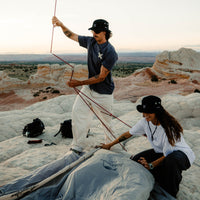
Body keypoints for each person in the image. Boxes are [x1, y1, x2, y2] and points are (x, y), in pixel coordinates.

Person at [99, 95, 195, 198]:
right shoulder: (145, 122)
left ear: (157, 112)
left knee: (171, 161)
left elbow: (168, 154)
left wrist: (151, 165)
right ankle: (162, 174)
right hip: (162, 152)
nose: (145, 115)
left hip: (181, 155)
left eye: (149, 112)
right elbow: (128, 134)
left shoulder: (167, 128)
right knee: (137, 160)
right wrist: (109, 145)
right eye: (144, 112)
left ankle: (171, 192)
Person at [52, 17, 118, 154]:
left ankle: (111, 146)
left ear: (105, 32)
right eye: (93, 30)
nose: (95, 33)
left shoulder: (110, 52)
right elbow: (71, 36)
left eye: (98, 31)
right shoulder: (90, 42)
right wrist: (61, 24)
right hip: (89, 89)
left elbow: (101, 77)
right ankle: (77, 145)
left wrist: (79, 83)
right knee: (78, 113)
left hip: (104, 93)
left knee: (106, 122)